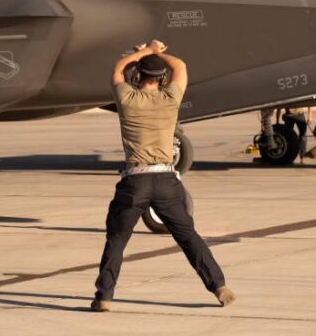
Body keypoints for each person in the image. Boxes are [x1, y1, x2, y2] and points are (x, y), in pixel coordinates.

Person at [91, 39, 235, 312]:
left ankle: (105, 296)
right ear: (163, 79)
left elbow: (118, 69)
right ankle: (218, 286)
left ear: (138, 76)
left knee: (117, 239)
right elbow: (180, 65)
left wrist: (142, 52)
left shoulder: (127, 98)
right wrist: (159, 52)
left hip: (135, 180)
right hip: (167, 180)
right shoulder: (171, 98)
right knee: (189, 237)